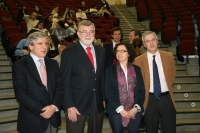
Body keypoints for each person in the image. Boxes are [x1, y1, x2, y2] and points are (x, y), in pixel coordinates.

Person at [12, 31, 64, 133]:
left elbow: (60, 87)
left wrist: (54, 106)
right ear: (30, 46)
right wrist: (43, 110)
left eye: (46, 43)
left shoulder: (53, 63)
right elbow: (21, 93)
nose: (44, 47)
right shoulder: (20, 66)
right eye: (40, 43)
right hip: (32, 119)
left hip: (53, 117)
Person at [60, 20, 106, 133]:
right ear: (78, 34)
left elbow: (103, 77)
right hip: (76, 104)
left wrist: (103, 98)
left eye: (91, 32)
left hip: (97, 102)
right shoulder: (69, 52)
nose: (88, 35)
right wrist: (69, 105)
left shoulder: (101, 51)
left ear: (95, 34)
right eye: (84, 32)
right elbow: (64, 81)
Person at [134, 31, 176, 133]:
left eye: (153, 40)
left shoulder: (169, 56)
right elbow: (137, 82)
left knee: (170, 130)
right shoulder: (138, 61)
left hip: (166, 99)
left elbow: (172, 76)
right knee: (151, 130)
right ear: (144, 44)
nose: (151, 43)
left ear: (157, 41)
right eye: (148, 41)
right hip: (149, 100)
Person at [105, 42, 145, 133]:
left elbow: (141, 90)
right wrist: (121, 109)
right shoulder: (110, 70)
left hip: (134, 109)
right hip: (116, 110)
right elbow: (108, 91)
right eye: (117, 51)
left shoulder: (137, 69)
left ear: (129, 53)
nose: (119, 53)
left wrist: (136, 107)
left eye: (123, 51)